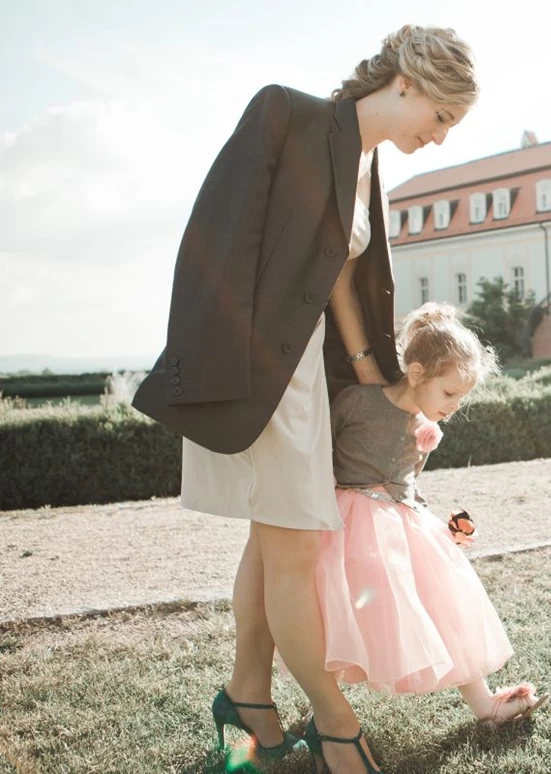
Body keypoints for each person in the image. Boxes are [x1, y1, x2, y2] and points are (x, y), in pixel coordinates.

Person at [132, 25, 480, 772]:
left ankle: (248, 702)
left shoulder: (368, 166)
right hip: (256, 378)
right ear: (410, 82)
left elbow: (339, 279)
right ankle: (335, 728)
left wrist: (365, 374)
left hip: (313, 385)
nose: (442, 137)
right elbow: (212, 244)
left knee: (272, 549)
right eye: (444, 117)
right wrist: (230, 374)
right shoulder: (285, 116)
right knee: (292, 556)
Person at [312, 301, 547, 756]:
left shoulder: (424, 426)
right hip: (347, 522)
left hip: (403, 522)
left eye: (461, 397)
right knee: (335, 614)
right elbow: (321, 452)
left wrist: (446, 525)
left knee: (446, 603)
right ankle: (324, 710)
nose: (455, 406)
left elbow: (408, 483)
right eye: (449, 393)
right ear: (417, 373)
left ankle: (485, 703)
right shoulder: (356, 403)